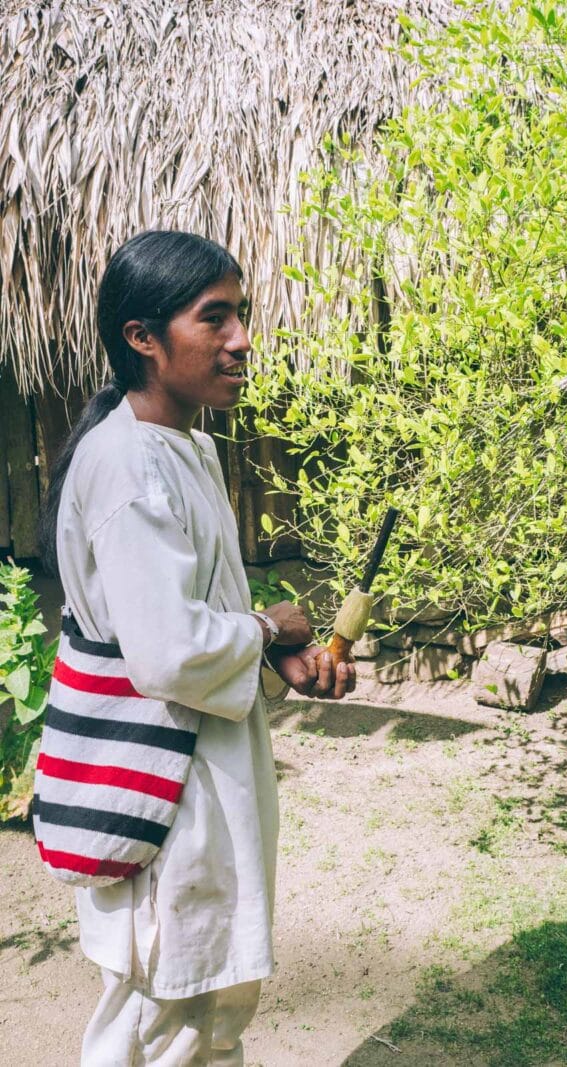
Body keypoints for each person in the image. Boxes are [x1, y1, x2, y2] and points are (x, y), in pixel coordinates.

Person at [38, 230, 356, 1065]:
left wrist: (276, 661)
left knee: (208, 1014)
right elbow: (169, 653)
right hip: (159, 792)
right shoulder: (126, 464)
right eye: (215, 318)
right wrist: (267, 627)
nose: (242, 340)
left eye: (241, 315)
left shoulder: (188, 449)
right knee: (160, 1023)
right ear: (143, 336)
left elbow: (188, 614)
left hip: (204, 782)